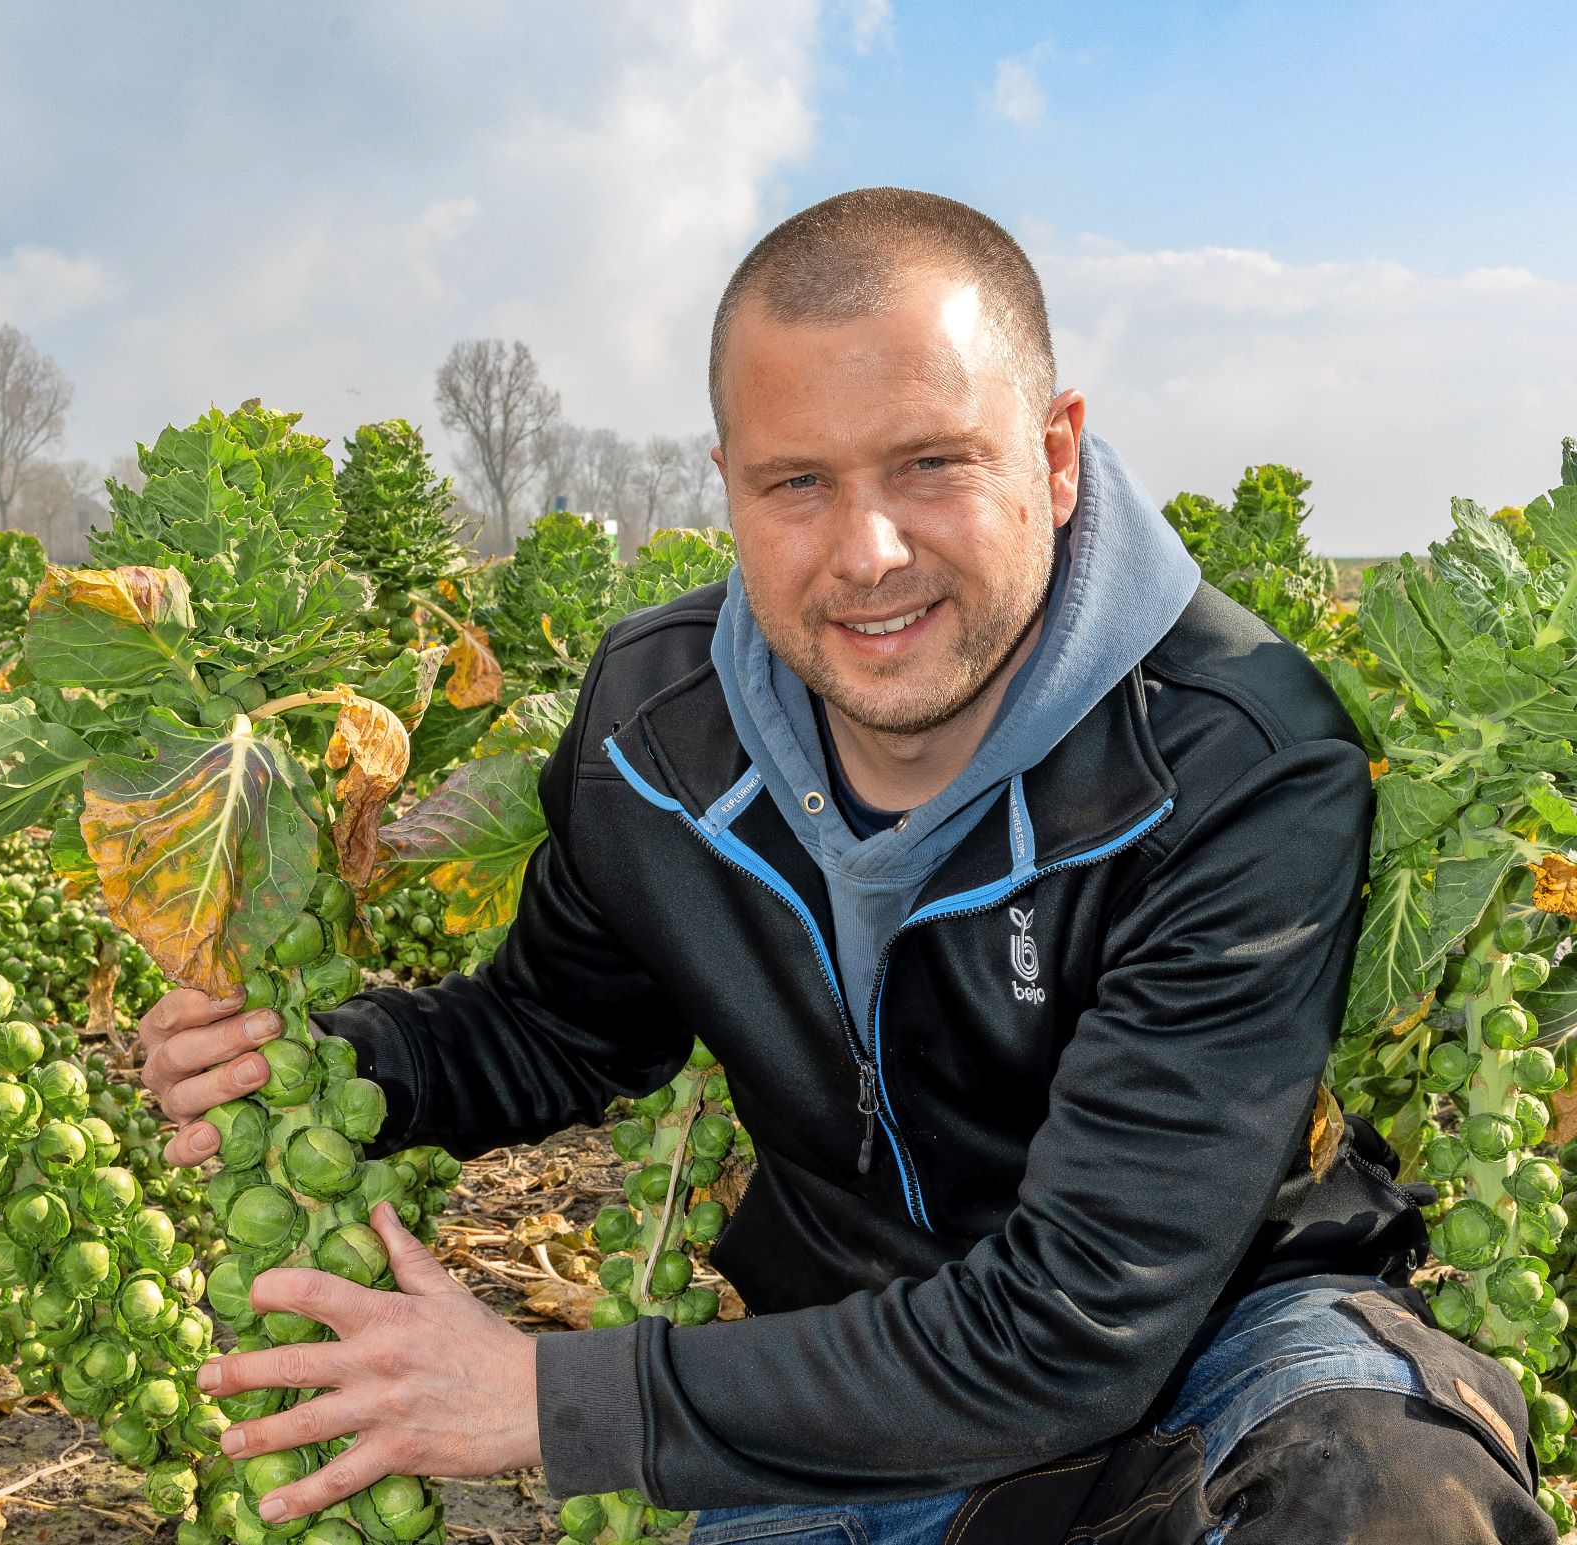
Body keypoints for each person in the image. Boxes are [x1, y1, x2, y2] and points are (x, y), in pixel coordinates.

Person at [139, 189, 1549, 1543]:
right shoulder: (655, 732)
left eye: (932, 464)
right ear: (730, 488)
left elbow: (1079, 1320)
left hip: (1217, 1356)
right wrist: (331, 1063)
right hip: (854, 1375)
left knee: (1388, 1496)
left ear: (1056, 456)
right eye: (798, 482)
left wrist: (545, 1399)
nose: (868, 552)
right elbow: (560, 1025)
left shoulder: (1233, 756)